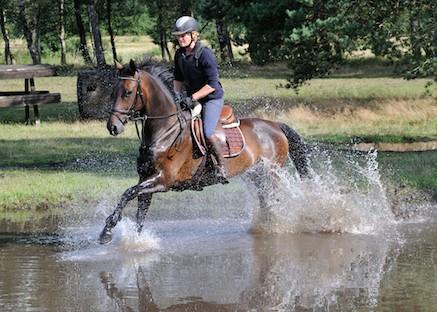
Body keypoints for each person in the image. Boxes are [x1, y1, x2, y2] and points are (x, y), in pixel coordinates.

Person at [172, 16, 227, 183]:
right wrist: (177, 95)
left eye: (184, 35)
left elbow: (212, 85)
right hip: (191, 98)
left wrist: (192, 97)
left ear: (193, 35)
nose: (180, 38)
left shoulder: (205, 55)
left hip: (211, 99)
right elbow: (178, 78)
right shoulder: (179, 54)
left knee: (208, 131)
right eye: (179, 36)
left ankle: (221, 166)